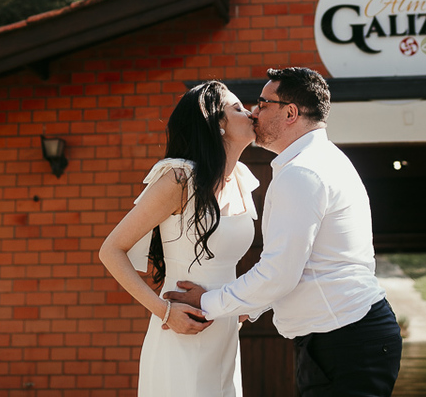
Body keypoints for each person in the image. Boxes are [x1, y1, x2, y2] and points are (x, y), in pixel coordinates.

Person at [166, 67, 403, 397]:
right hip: (342, 335)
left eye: (263, 103)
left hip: (344, 338)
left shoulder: (302, 173)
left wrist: (208, 303)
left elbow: (279, 272)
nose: (254, 111)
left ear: (290, 112)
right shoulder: (320, 161)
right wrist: (248, 307)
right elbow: (304, 265)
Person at [99, 81, 259, 397]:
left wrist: (243, 308)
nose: (251, 112)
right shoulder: (178, 179)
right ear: (218, 124)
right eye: (238, 108)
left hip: (225, 333)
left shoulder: (242, 179)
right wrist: (165, 312)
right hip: (180, 333)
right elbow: (111, 250)